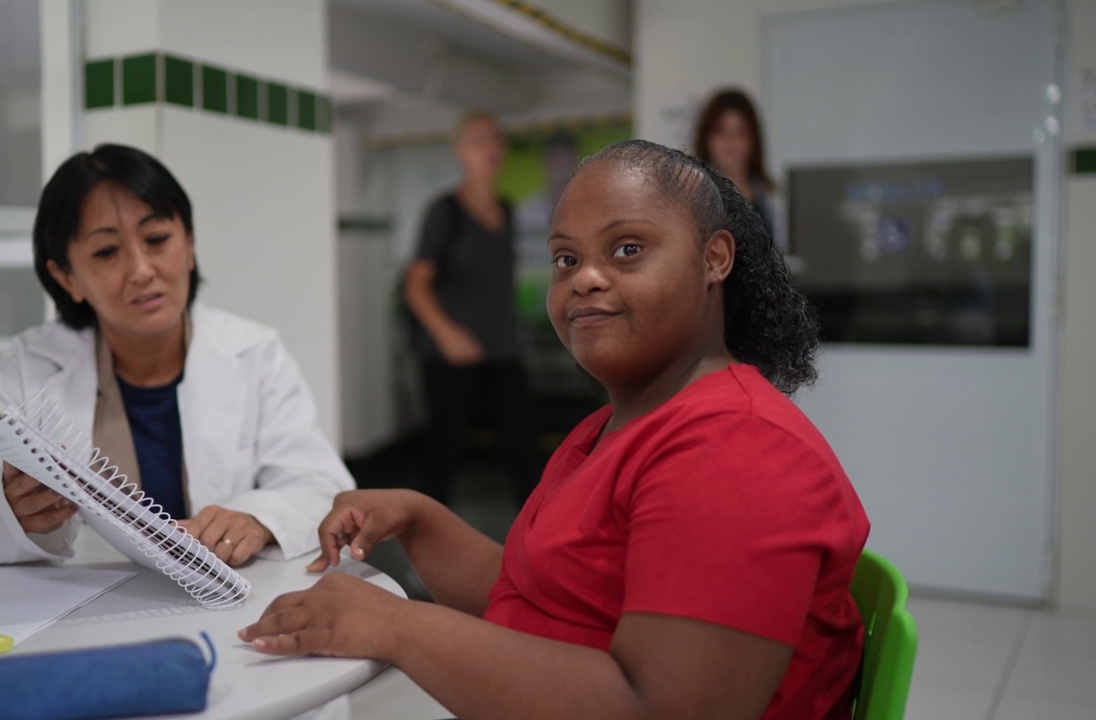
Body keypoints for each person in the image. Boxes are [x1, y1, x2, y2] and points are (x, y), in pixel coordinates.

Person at [239, 141, 870, 720]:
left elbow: (659, 709)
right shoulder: (615, 425)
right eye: (566, 258)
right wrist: (422, 519)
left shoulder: (736, 449)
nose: (585, 278)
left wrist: (397, 626)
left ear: (715, 258)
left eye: (627, 248)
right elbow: (546, 598)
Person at [0, 144, 354, 567]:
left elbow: (321, 485)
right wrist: (5, 507)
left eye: (157, 240)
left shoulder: (254, 353)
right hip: (88, 612)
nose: (141, 270)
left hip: (236, 605)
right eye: (108, 251)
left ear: (189, 245)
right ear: (66, 275)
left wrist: (258, 517)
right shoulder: (33, 363)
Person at [403, 110, 540, 506]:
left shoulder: (508, 210)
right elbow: (416, 285)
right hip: (451, 357)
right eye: (479, 140)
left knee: (524, 450)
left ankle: (538, 548)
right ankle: (425, 552)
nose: (490, 148)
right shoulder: (444, 211)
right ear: (460, 151)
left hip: (503, 351)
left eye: (496, 138)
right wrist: (447, 335)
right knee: (443, 454)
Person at [693, 88, 779, 241]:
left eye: (740, 132)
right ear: (705, 137)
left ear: (753, 139)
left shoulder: (772, 198)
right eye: (721, 132)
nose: (730, 142)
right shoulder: (692, 196)